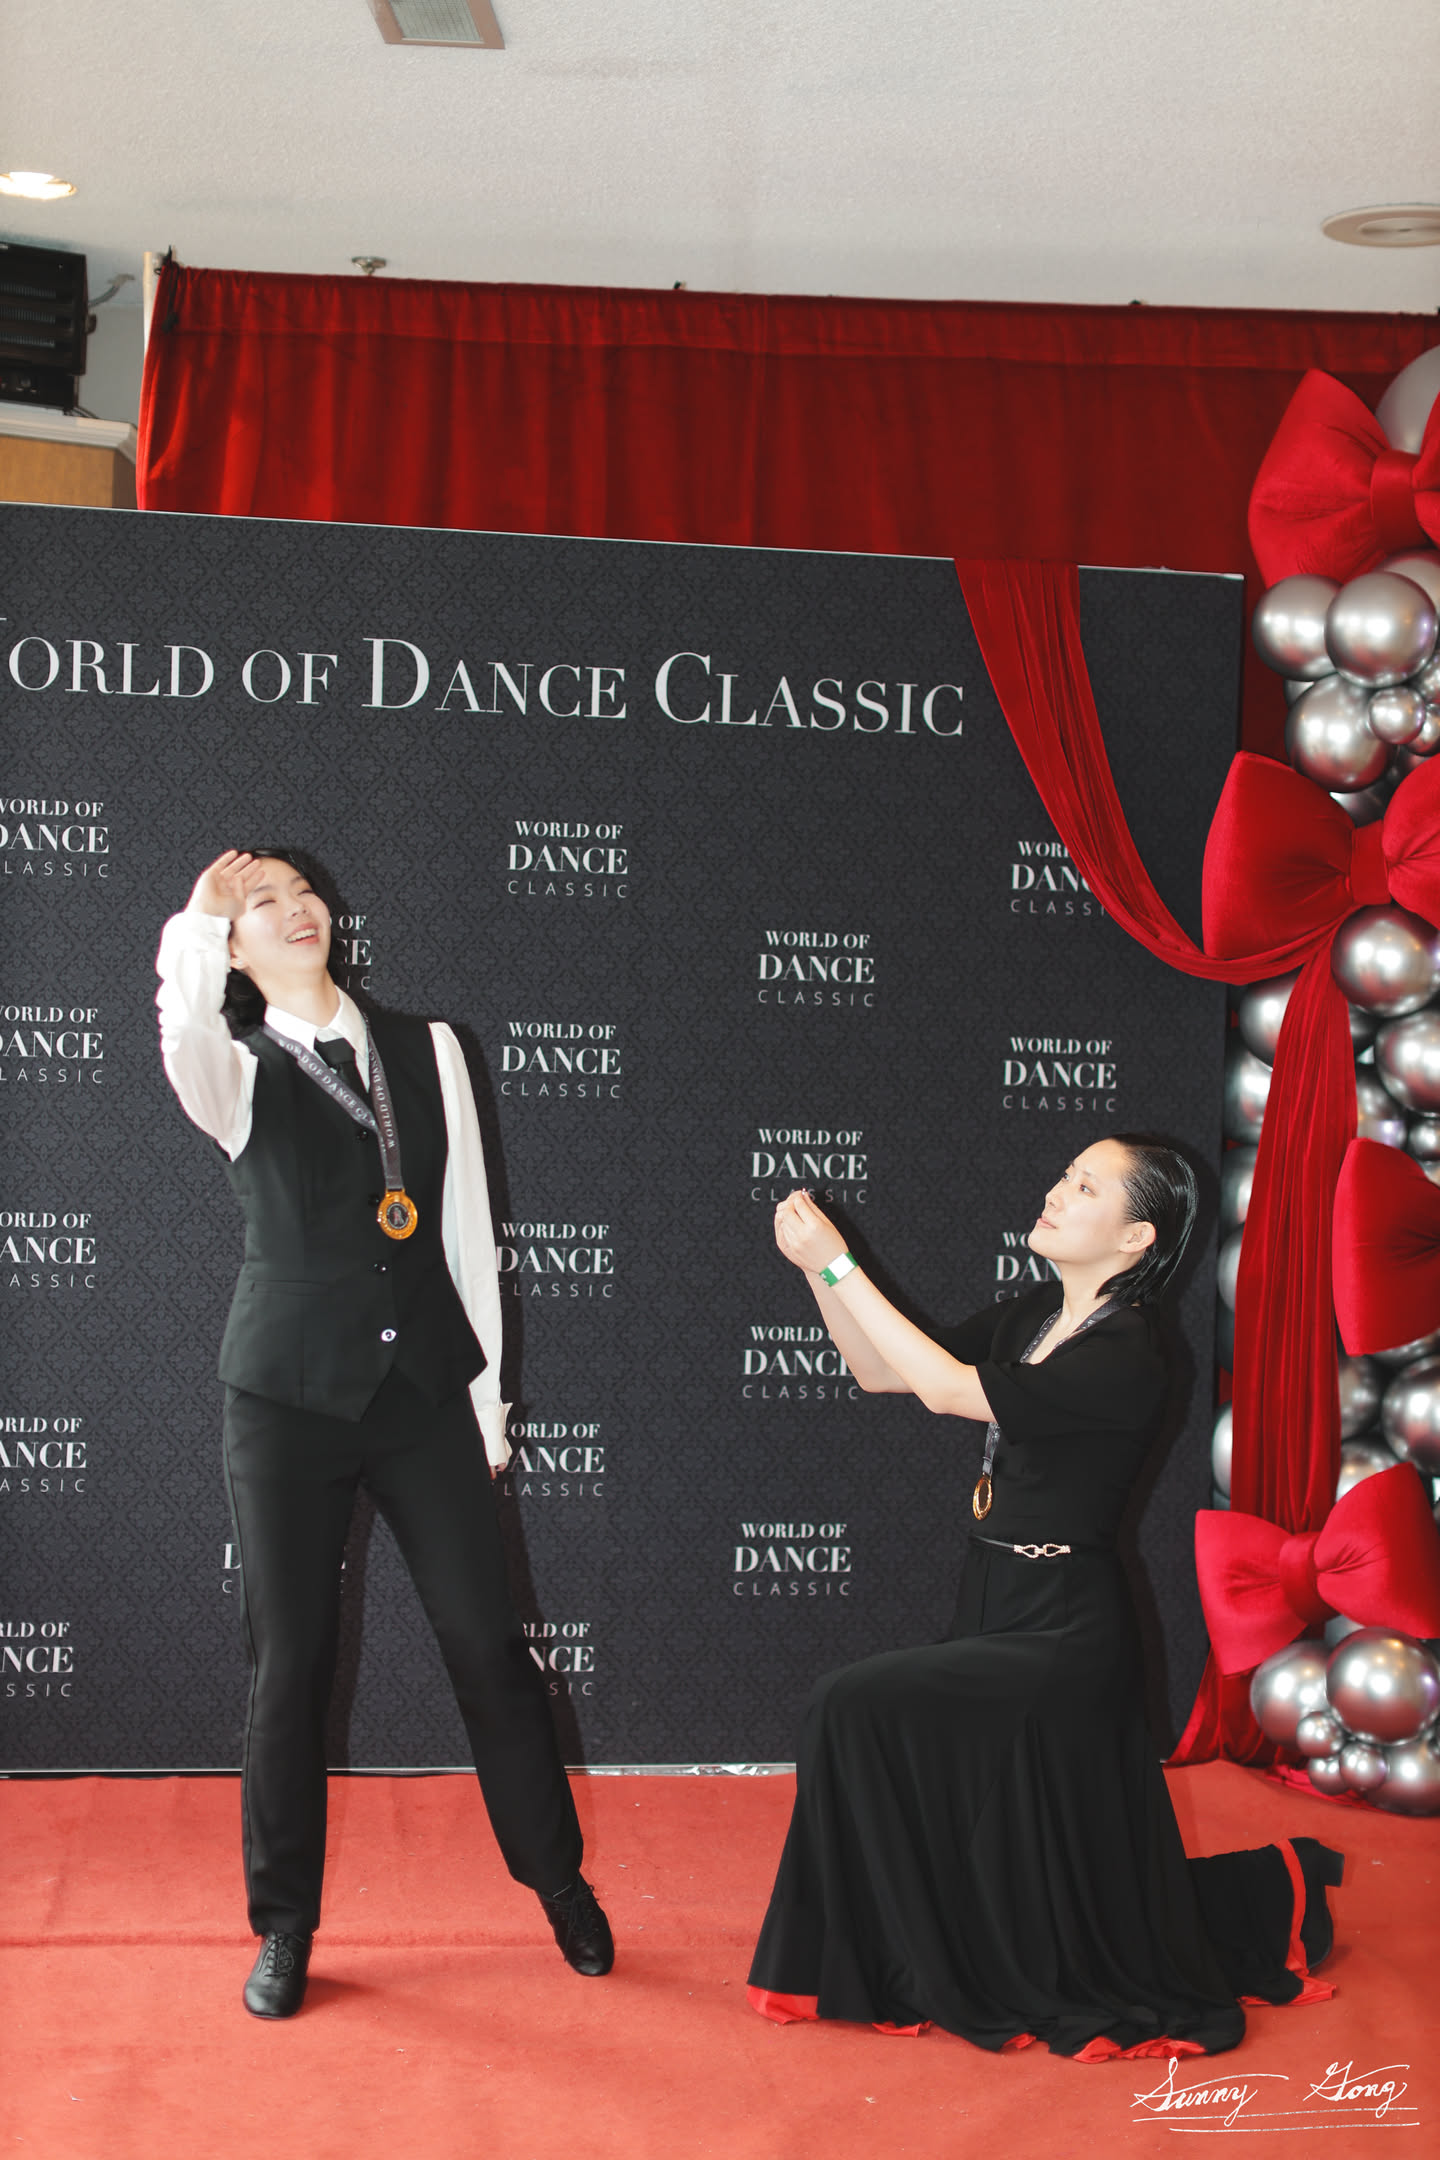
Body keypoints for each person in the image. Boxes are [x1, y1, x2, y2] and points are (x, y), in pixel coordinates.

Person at [747, 1137, 1343, 2059]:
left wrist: (838, 1263)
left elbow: (947, 1392)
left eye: (1086, 1186)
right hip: (992, 1592)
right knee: (1013, 1827)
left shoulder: (1132, 1348)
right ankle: (931, 1948)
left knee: (849, 1704)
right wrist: (816, 1275)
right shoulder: (1035, 1314)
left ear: (1136, 1237)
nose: (1058, 1192)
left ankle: (869, 1960)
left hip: (1064, 1628)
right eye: (1065, 1175)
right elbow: (883, 1371)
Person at [156, 848, 613, 2019]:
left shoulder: (431, 1049)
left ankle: (558, 1882)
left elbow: (466, 1235)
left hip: (423, 1396)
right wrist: (200, 919)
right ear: (235, 950)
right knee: (289, 1666)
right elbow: (184, 1025)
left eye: (300, 893)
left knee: (487, 1648)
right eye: (262, 905)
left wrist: (487, 1407)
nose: (291, 910)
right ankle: (284, 1926)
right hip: (286, 1401)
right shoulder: (232, 1068)